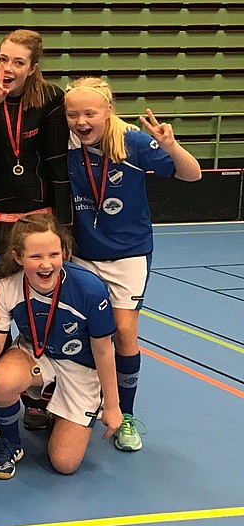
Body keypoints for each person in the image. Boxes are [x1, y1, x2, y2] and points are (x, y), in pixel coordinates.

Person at [64, 77, 201, 451]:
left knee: (124, 332)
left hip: (128, 254)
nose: (81, 121)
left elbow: (192, 173)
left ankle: (125, 414)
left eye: (90, 113)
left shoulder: (132, 142)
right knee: (84, 330)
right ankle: (77, 401)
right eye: (73, 114)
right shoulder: (63, 144)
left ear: (108, 111)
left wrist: (171, 147)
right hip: (81, 253)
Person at [0, 30, 70, 435]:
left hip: (37, 222)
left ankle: (39, 394)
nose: (7, 69)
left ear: (33, 68)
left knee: (41, 310)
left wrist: (65, 232)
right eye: (3, 59)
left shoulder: (52, 99)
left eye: (18, 63)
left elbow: (58, 167)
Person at [0, 213, 120, 480]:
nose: (46, 264)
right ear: (18, 257)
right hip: (35, 353)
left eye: (54, 254)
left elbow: (103, 351)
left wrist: (112, 405)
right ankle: (10, 443)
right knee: (1, 382)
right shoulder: (6, 287)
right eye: (35, 256)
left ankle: (65, 411)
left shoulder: (90, 289)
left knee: (64, 463)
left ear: (65, 252)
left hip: (81, 365)